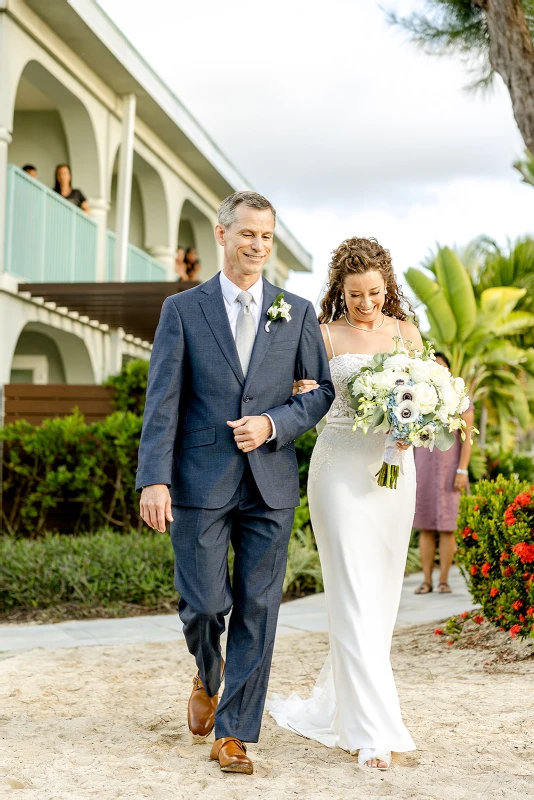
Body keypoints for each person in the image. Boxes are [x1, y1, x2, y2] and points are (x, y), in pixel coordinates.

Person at [136, 190, 334, 776]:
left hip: (269, 482)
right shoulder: (182, 310)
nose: (258, 245)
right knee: (202, 605)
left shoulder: (296, 311)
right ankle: (207, 670)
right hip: (199, 479)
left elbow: (320, 391)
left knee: (259, 607)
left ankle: (235, 734)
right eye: (248, 233)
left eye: (267, 237)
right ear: (222, 235)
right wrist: (154, 479)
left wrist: (275, 422)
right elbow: (162, 401)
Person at [268, 237, 420, 771]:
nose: (366, 303)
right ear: (340, 291)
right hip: (337, 473)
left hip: (393, 474)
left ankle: (346, 705)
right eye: (355, 294)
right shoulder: (324, 334)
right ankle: (374, 732)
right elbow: (305, 398)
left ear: (388, 287)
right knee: (352, 595)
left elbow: (418, 403)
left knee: (380, 601)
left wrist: (414, 430)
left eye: (375, 292)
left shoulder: (408, 335)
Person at [413, 352, 474, 595]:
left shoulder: (459, 398)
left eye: (442, 365)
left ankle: (444, 580)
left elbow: (467, 439)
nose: (437, 368)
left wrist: (462, 469)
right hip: (423, 469)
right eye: (433, 365)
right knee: (425, 525)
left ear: (448, 369)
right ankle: (426, 580)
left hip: (450, 471)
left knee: (448, 526)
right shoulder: (417, 397)